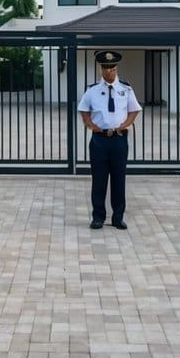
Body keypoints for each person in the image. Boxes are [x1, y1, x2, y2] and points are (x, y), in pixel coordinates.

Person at [78, 50, 141, 230]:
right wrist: (91, 125)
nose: (108, 71)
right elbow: (84, 109)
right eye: (105, 68)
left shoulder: (125, 89)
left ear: (116, 68)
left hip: (119, 139)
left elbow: (134, 110)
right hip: (99, 140)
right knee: (99, 179)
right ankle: (98, 217)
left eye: (111, 68)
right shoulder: (92, 90)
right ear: (101, 69)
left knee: (119, 179)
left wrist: (125, 124)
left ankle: (118, 217)